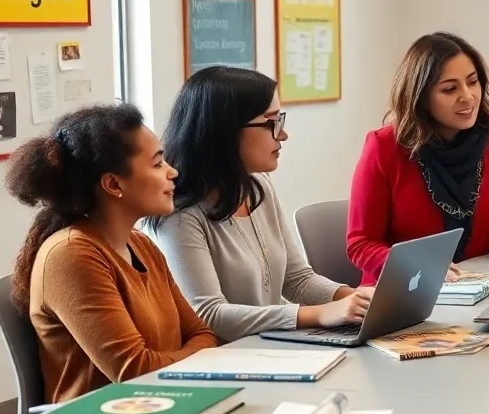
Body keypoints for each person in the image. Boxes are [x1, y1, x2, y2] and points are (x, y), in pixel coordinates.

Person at [5, 104, 217, 404]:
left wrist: (181, 356)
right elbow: (136, 372)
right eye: (158, 164)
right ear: (114, 184)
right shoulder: (71, 255)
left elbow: (203, 333)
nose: (173, 172)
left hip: (163, 401)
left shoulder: (141, 245)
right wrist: (194, 355)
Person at [145, 68, 373, 343]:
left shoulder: (258, 186)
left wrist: (358, 299)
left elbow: (296, 279)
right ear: (226, 130)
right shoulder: (179, 215)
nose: (283, 134)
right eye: (272, 122)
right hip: (224, 357)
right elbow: (208, 314)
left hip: (269, 347)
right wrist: (319, 314)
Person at [347, 32, 489, 285]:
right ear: (421, 97)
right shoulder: (384, 147)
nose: (468, 96)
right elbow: (361, 244)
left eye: (473, 82)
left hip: (477, 288)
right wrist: (416, 266)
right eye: (450, 89)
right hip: (404, 291)